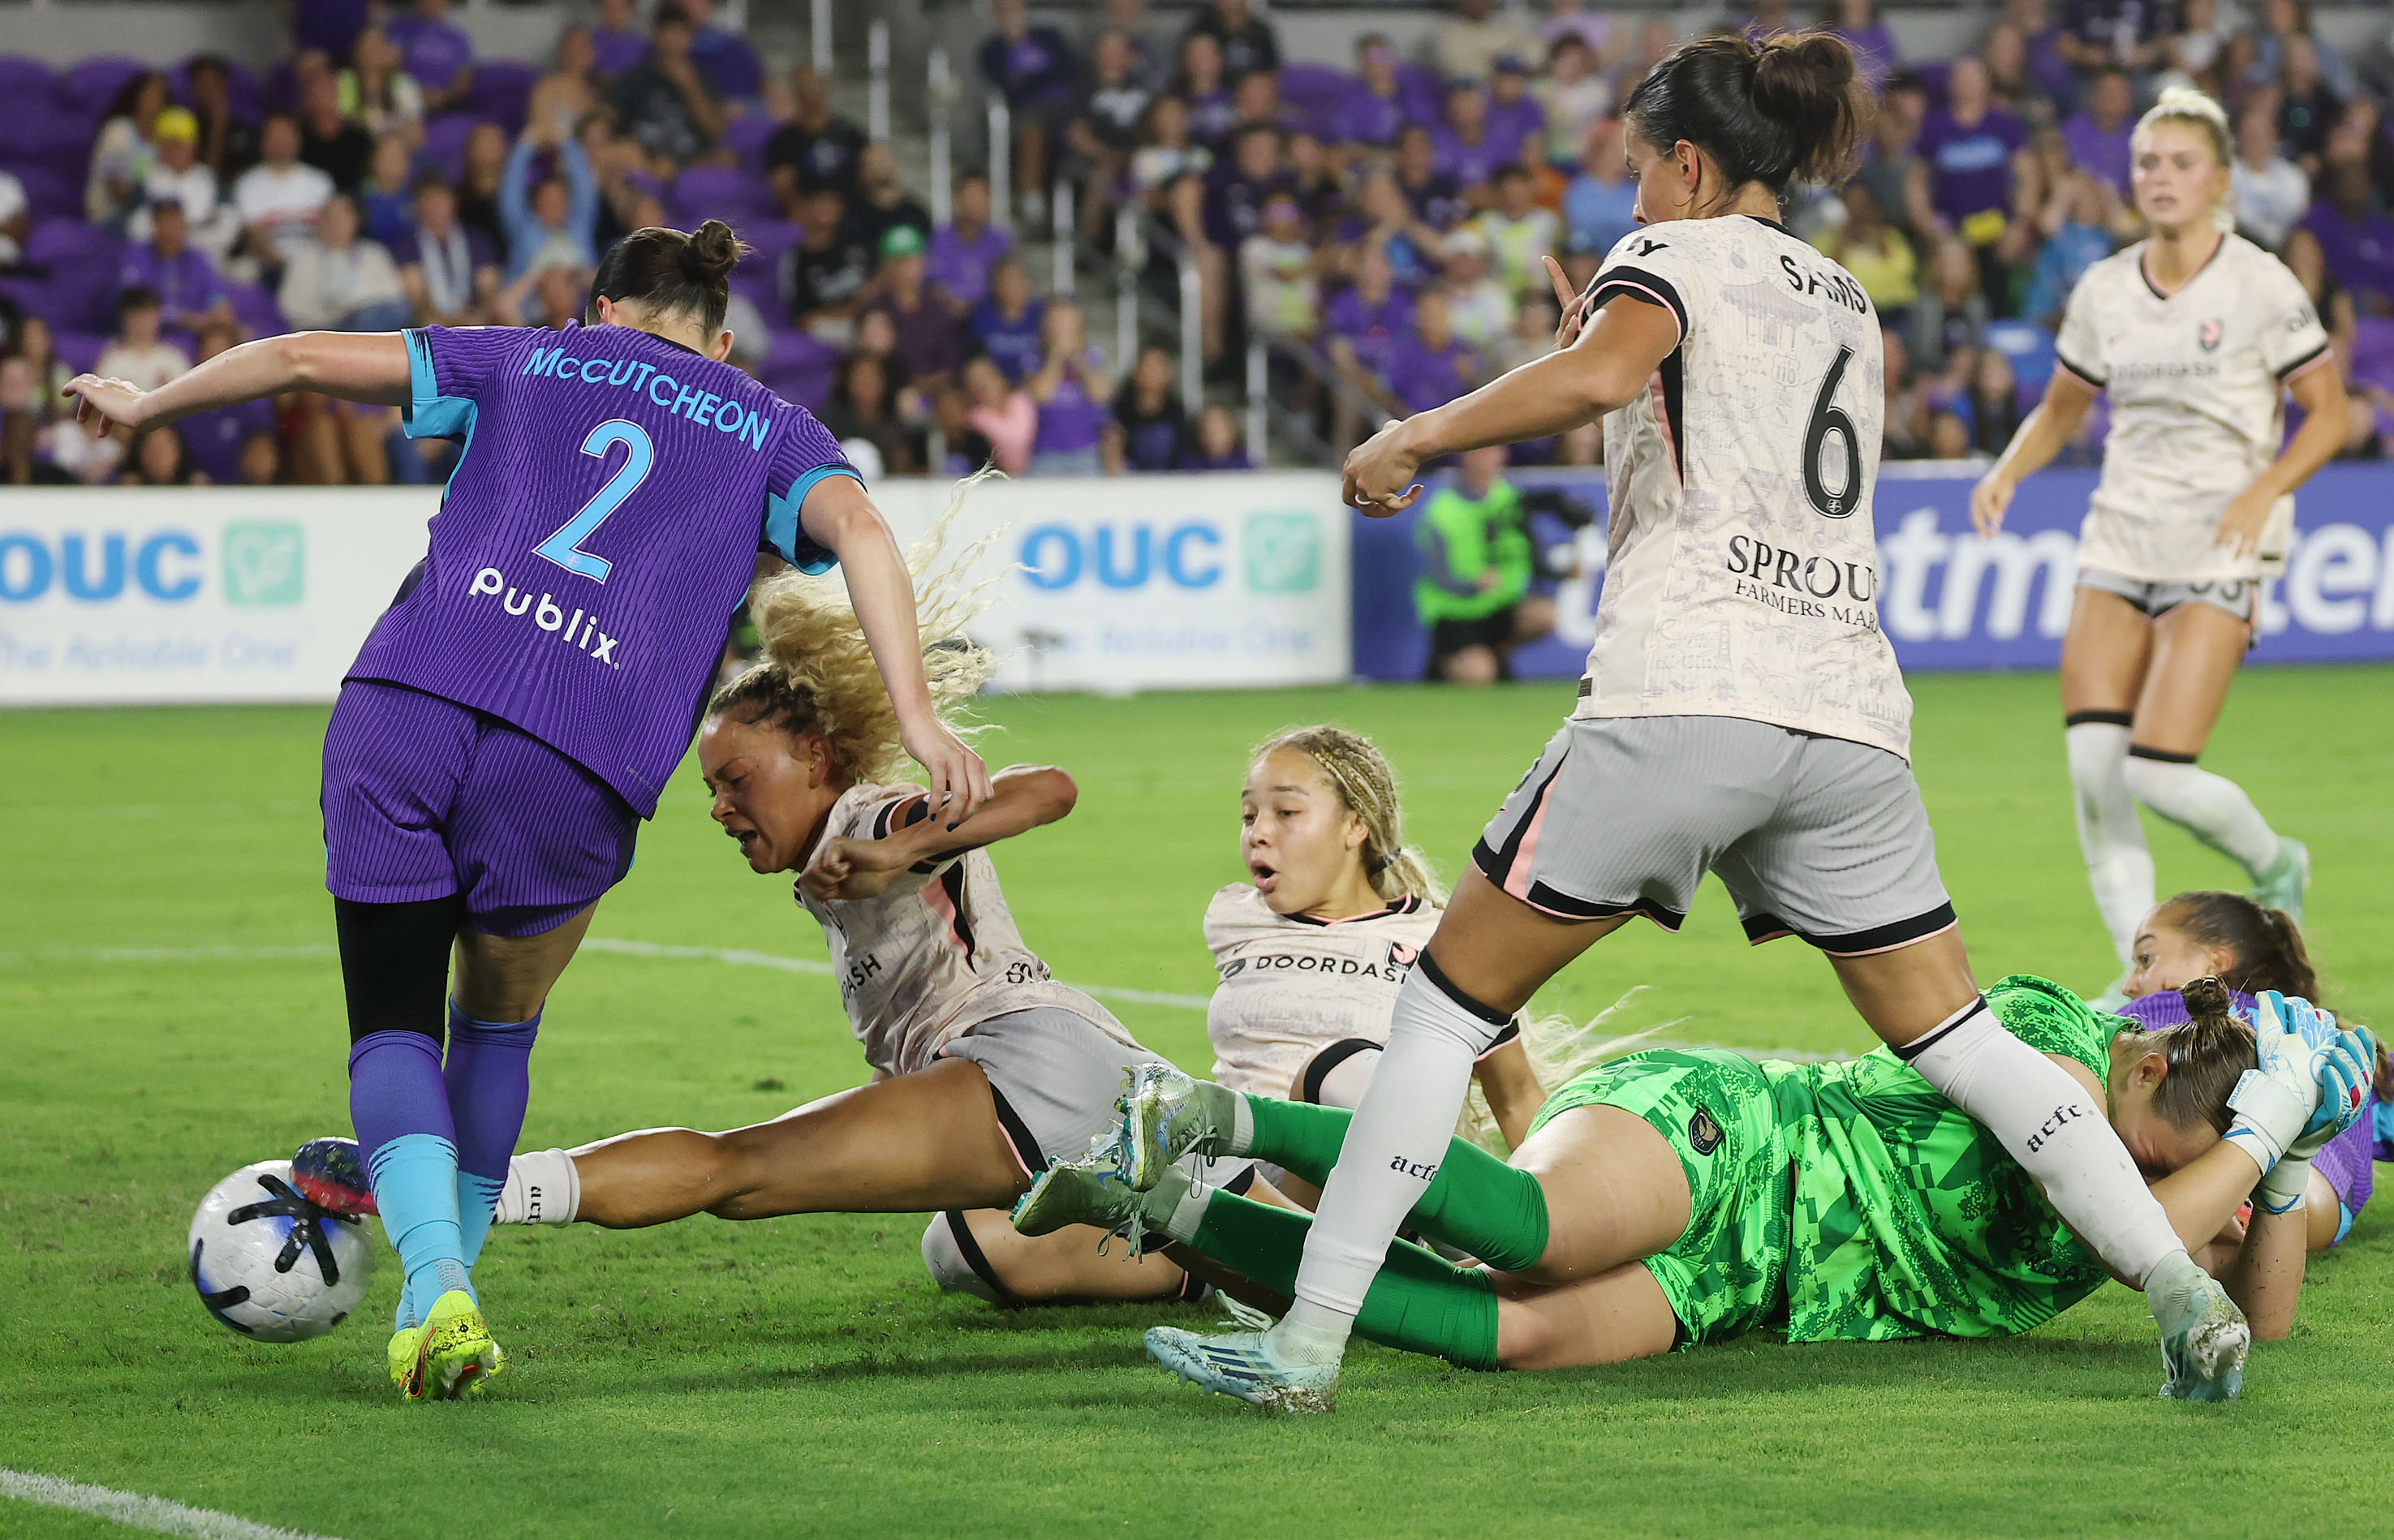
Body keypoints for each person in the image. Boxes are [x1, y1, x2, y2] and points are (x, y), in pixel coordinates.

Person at [1176, 30, 2261, 1411]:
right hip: (1847, 715)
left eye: (1640, 167)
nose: (1631, 196)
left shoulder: (1667, 256)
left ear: (1688, 164)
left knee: (1441, 1009)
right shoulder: (1849, 297)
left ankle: (1304, 1345)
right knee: (1965, 1040)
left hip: (1686, 687)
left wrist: (1413, 434)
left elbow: (1602, 378)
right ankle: (2179, 1291)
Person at [62, 219, 988, 1401]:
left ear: (601, 311)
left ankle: (436, 1282)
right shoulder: (771, 424)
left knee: (392, 1025)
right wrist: (916, 717)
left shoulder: (529, 353)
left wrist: (148, 403)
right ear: (721, 337)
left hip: (408, 701)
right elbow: (860, 529)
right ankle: (435, 1298)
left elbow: (295, 357)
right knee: (495, 1025)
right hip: (578, 749)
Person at [1025, 975, 2370, 1404]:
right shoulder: (2050, 1035)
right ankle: (1206, 1115)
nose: (2153, 1177)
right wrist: (2253, 1135)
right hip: (1735, 1135)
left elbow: (2259, 1316)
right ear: (2142, 1058)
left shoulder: (2182, 1179)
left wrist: (2289, 1150)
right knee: (1534, 1233)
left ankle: (1157, 1208)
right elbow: (2137, 1229)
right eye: (2158, 1146)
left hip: (1756, 1283)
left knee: (1509, 1334)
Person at [477, 559, 1225, 1310]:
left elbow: (1049, 789)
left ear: (815, 756)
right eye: (712, 789)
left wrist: (902, 849)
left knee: (735, 1167)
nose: (719, 807)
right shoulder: (833, 872)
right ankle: (1197, 1258)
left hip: (1020, 1064)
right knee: (960, 1250)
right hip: (1068, 1071)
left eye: (737, 779)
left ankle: (480, 1191)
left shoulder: (868, 820)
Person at [1970, 88, 2345, 999]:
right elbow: (2063, 407)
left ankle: (2276, 862)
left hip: (2216, 545)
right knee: (2095, 772)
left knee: (2159, 772)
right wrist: (2007, 471)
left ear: (2221, 181)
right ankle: (2138, 974)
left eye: (2182, 163)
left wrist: (2263, 489)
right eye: (2147, 162)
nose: (2161, 177)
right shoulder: (2106, 288)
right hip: (2118, 540)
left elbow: (2330, 414)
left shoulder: (2259, 284)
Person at [2122, 891, 2382, 1253]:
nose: (2129, 985)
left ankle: (2226, 1200)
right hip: (2325, 1197)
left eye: (2146, 959)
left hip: (2187, 1177)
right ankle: (2266, 1193)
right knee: (2304, 1184)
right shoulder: (2334, 1042)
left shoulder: (2159, 1009)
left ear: (2215, 963)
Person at [1414, 445, 1552, 684]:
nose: (1494, 459)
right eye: (1485, 452)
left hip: (1499, 605)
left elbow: (1531, 550)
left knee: (1543, 615)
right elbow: (1438, 575)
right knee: (1477, 674)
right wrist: (1473, 585)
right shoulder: (1442, 511)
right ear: (1467, 457)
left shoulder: (1510, 497)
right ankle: (1446, 665)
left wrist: (1559, 572)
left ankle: (1496, 653)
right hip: (1455, 612)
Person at [610, 5, 730, 171]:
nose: (676, 40)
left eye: (682, 32)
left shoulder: (702, 77)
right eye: (671, 32)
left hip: (693, 165)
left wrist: (691, 87)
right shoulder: (637, 77)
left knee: (727, 157)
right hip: (648, 166)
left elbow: (719, 132)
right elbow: (607, 118)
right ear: (657, 36)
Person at [233, 114, 337, 275]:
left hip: (315, 268)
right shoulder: (247, 184)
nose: (281, 141)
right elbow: (254, 236)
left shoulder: (320, 182)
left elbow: (331, 229)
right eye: (275, 135)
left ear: (298, 139)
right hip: (268, 268)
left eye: (286, 135)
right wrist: (285, 268)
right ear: (263, 141)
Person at [394, 174, 501, 327]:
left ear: (453, 202)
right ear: (417, 206)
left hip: (474, 319)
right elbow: (416, 296)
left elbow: (489, 288)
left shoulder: (476, 240)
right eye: (428, 200)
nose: (436, 207)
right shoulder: (407, 245)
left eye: (441, 199)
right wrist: (445, 322)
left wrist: (479, 315)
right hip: (432, 322)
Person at [498, 123, 599, 282]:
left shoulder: (580, 228)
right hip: (532, 299)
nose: (553, 206)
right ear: (536, 205)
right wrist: (526, 144)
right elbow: (510, 193)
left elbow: (585, 188)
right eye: (547, 201)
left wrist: (566, 142)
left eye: (559, 201)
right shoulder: (524, 231)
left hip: (580, 299)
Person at [1024, 300, 1113, 476]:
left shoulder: (1092, 355)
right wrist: (1056, 356)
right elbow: (1041, 395)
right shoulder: (1035, 357)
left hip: (1086, 450)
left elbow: (1101, 394)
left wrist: (1077, 358)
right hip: (1046, 451)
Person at [121, 200, 235, 335]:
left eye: (175, 222)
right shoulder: (137, 256)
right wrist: (179, 317)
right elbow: (133, 303)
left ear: (183, 225)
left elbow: (215, 295)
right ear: (155, 224)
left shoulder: (197, 259)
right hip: (151, 334)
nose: (171, 229)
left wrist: (218, 308)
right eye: (165, 222)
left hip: (194, 335)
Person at [767, 67, 868, 210]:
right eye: (804, 86)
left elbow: (868, 166)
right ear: (795, 92)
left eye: (814, 84)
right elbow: (780, 183)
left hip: (850, 208)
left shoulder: (848, 132)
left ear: (824, 87)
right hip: (806, 212)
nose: (810, 91)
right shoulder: (783, 140)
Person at [926, 174, 1014, 314]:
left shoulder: (1001, 243)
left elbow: (1008, 285)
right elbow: (929, 282)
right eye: (970, 196)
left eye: (980, 196)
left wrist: (973, 307)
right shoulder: (937, 239)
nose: (974, 203)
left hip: (988, 316)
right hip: (944, 315)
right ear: (956, 200)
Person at [1105, 343, 1186, 472]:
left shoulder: (1177, 414)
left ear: (1167, 374)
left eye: (1157, 366)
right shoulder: (1120, 412)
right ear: (1135, 373)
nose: (1151, 372)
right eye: (1147, 365)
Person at [96, 289, 190, 394]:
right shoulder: (111, 360)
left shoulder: (173, 358)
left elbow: (188, 397)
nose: (142, 322)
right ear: (124, 318)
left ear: (158, 317)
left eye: (148, 315)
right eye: (136, 316)